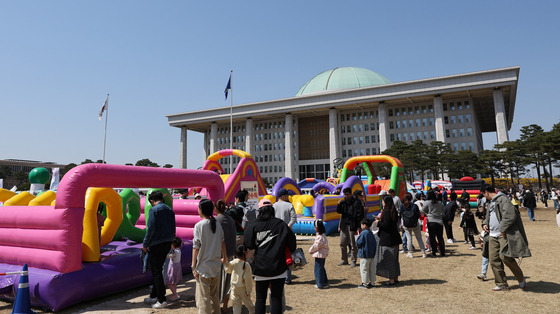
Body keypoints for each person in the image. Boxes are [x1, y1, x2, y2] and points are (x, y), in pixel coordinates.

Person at [244, 202, 297, 314]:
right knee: (276, 298)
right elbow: (292, 244)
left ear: (260, 211)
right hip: (279, 267)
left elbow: (248, 244)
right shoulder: (281, 224)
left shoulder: (254, 225)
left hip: (260, 267)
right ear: (272, 210)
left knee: (260, 299)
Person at [481, 184, 530, 291]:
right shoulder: (490, 202)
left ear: (486, 192)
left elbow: (510, 215)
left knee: (506, 257)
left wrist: (503, 229)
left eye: (483, 194)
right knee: (494, 260)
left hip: (503, 234)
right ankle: (501, 284)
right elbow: (489, 216)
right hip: (492, 235)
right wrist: (485, 223)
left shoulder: (503, 199)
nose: (484, 197)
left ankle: (521, 278)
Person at [192, 199, 228, 314]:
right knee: (214, 296)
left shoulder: (199, 226)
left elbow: (195, 247)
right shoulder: (217, 224)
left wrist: (193, 266)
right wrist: (225, 258)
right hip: (215, 265)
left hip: (203, 267)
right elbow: (223, 242)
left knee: (203, 298)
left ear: (201, 210)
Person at [142, 191, 176, 309]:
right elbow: (173, 228)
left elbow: (150, 229)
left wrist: (145, 244)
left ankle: (161, 299)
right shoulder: (169, 210)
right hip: (166, 243)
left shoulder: (154, 210)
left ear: (152, 201)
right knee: (159, 270)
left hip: (156, 244)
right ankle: (154, 295)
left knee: (156, 272)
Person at [215, 199, 237, 313]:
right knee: (228, 282)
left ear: (215, 209)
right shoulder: (231, 220)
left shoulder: (215, 221)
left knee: (218, 283)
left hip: (219, 256)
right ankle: (225, 306)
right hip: (230, 254)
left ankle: (216, 306)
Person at [374, 195, 402, 286]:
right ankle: (395, 278)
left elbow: (386, 225)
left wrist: (378, 223)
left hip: (388, 239)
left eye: (383, 201)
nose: (382, 203)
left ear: (386, 202)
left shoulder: (386, 212)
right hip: (395, 238)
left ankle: (391, 280)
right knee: (394, 260)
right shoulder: (393, 211)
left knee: (389, 259)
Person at [273, 188, 297, 284]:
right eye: (287, 195)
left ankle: (278, 276)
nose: (288, 197)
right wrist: (288, 226)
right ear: (283, 196)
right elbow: (294, 218)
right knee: (288, 254)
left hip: (276, 232)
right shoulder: (289, 205)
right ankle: (287, 277)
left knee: (277, 254)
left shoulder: (273, 206)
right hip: (287, 233)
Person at [336, 187, 364, 268]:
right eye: (345, 195)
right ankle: (344, 259)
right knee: (342, 243)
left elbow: (360, 214)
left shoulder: (357, 202)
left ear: (351, 194)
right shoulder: (343, 202)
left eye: (347, 194)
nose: (346, 196)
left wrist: (359, 226)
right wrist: (339, 204)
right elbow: (339, 211)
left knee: (353, 244)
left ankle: (353, 260)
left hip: (353, 225)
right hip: (344, 225)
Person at [225, 245, 255, 314]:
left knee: (236, 306)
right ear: (245, 253)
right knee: (250, 306)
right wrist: (248, 290)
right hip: (243, 289)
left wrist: (225, 263)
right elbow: (248, 280)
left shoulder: (233, 262)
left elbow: (228, 270)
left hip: (234, 288)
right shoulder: (246, 265)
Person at [400, 193, 426, 258]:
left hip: (406, 224)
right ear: (411, 198)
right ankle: (423, 253)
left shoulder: (402, 206)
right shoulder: (415, 206)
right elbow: (418, 215)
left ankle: (410, 253)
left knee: (409, 239)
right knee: (419, 238)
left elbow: (401, 215)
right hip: (415, 224)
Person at [422, 190, 445, 257]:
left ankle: (434, 252)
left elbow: (422, 212)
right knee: (440, 237)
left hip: (431, 221)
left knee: (432, 237)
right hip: (439, 221)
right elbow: (443, 212)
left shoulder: (427, 203)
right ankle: (442, 252)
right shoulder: (440, 203)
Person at [308, 220, 329, 289]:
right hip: (322, 254)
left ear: (316, 227)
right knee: (321, 268)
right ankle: (325, 282)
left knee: (318, 269)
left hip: (320, 254)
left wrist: (310, 250)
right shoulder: (322, 235)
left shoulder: (320, 237)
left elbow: (316, 246)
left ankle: (320, 283)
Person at [356, 218, 377, 288]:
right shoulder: (371, 233)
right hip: (371, 254)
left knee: (364, 269)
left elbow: (358, 243)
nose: (361, 226)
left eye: (361, 225)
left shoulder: (363, 233)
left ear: (364, 225)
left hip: (364, 254)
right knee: (372, 269)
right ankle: (373, 282)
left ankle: (364, 283)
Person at [165, 237, 183, 302]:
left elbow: (168, 256)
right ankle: (175, 294)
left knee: (169, 282)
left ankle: (175, 294)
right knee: (174, 282)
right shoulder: (179, 250)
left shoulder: (175, 252)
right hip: (177, 267)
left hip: (173, 268)